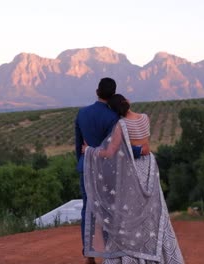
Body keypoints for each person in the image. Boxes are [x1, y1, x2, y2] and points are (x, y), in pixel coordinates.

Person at [82, 94, 184, 264]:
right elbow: (145, 147)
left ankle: (130, 256)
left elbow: (109, 152)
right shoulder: (145, 118)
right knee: (154, 211)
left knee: (128, 213)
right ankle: (161, 254)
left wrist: (89, 151)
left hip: (132, 171)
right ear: (126, 102)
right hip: (149, 168)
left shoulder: (121, 125)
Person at [75, 77, 119, 264]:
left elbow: (78, 144)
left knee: (88, 210)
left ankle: (89, 255)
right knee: (109, 210)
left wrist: (82, 162)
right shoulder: (113, 117)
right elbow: (116, 148)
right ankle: (109, 253)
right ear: (113, 95)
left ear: (97, 91)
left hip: (86, 167)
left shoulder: (82, 113)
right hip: (106, 170)